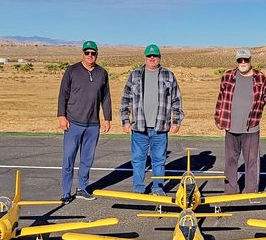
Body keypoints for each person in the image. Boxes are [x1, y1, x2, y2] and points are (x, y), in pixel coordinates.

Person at [120, 44, 184, 196]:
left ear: (159, 57)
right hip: (139, 127)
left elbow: (176, 99)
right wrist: (125, 121)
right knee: (138, 159)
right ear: (145, 57)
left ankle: (157, 188)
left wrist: (176, 122)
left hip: (160, 127)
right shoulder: (135, 75)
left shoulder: (168, 75)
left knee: (158, 160)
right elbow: (125, 99)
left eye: (155, 55)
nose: (152, 58)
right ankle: (138, 188)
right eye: (149, 56)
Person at [57, 40, 112, 204]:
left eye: (93, 53)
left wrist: (107, 118)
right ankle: (66, 192)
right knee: (68, 158)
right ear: (83, 53)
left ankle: (82, 188)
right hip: (73, 122)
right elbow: (63, 94)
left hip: (92, 125)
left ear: (97, 54)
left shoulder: (102, 73)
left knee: (87, 159)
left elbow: (106, 97)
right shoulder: (72, 70)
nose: (90, 56)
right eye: (87, 53)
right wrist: (61, 116)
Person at [214, 48, 266, 198]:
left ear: (250, 61)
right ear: (237, 62)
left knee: (252, 161)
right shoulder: (227, 76)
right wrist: (218, 117)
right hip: (231, 126)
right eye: (240, 60)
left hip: (251, 128)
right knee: (230, 161)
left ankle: (251, 193)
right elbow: (221, 98)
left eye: (246, 60)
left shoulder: (260, 78)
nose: (243, 63)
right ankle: (230, 192)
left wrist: (256, 112)